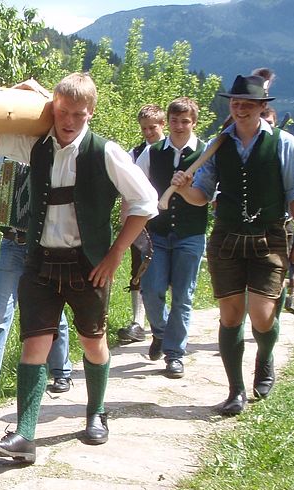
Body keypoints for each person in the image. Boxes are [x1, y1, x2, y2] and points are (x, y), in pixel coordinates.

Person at [0, 72, 158, 459]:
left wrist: (114, 255)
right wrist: (8, 97)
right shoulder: (37, 146)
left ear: (90, 113)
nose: (68, 121)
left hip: (88, 265)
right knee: (33, 344)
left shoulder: (105, 152)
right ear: (51, 109)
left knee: (93, 341)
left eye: (77, 113)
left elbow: (146, 203)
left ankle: (96, 413)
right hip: (40, 263)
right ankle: (23, 436)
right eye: (61, 112)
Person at [170, 69, 294, 416]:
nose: (240, 108)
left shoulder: (283, 142)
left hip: (269, 236)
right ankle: (235, 390)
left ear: (262, 106)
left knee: (262, 317)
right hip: (227, 237)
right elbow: (202, 195)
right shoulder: (219, 143)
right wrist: (185, 187)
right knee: (231, 315)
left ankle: (265, 356)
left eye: (248, 103)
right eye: (235, 102)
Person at [0, 156, 74, 405]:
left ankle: (61, 370)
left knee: (51, 312)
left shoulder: (54, 154)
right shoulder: (5, 157)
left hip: (43, 246)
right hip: (11, 243)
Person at [135, 97, 207, 378]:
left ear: (194, 123)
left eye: (185, 121)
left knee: (182, 296)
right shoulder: (152, 153)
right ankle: (161, 332)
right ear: (168, 121)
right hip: (157, 233)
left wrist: (186, 189)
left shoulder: (204, 153)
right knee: (151, 290)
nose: (179, 126)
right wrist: (135, 224)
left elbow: (206, 197)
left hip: (190, 234)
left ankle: (175, 354)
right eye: (174, 120)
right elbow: (135, 188)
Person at [118, 104, 166, 343]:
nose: (148, 132)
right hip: (142, 220)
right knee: (139, 267)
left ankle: (164, 322)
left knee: (165, 273)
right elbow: (126, 190)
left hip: (168, 220)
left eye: (152, 127)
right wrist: (124, 218)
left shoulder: (171, 151)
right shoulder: (134, 154)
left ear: (162, 125)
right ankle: (138, 321)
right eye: (144, 128)